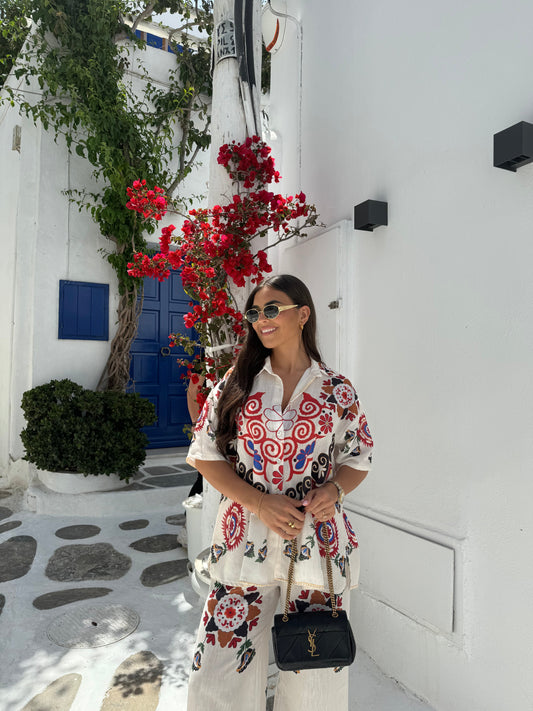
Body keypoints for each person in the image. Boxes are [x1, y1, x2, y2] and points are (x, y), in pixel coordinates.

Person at [186, 274, 373, 711]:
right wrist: (258, 501)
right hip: (242, 542)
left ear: (303, 314)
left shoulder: (336, 390)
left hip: (315, 546)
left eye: (272, 309)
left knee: (315, 676)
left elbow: (359, 456)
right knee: (218, 669)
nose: (260, 320)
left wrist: (335, 489)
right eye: (254, 312)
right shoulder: (237, 382)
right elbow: (204, 454)